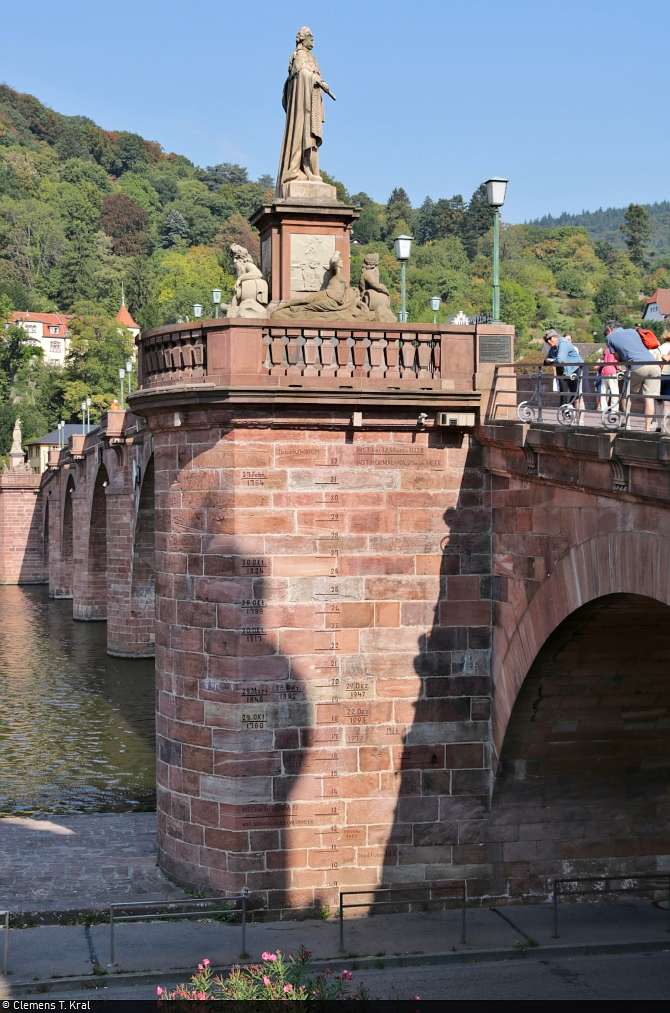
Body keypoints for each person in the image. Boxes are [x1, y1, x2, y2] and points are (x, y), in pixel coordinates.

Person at [604, 319, 661, 431]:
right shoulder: (632, 331)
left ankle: (626, 421)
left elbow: (617, 358)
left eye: (605, 332)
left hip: (638, 366)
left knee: (626, 395)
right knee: (649, 398)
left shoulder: (610, 337)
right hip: (654, 365)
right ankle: (647, 428)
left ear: (609, 329)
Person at [544, 329, 583, 404]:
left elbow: (560, 359)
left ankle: (574, 412)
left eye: (550, 338)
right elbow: (546, 359)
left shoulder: (563, 342)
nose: (548, 341)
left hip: (573, 368)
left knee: (575, 393)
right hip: (562, 370)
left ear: (555, 336)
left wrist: (551, 361)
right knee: (563, 394)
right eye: (546, 340)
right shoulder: (553, 347)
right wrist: (547, 360)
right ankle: (566, 413)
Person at [597, 346, 620, 411]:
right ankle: (614, 408)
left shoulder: (607, 350)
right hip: (611, 371)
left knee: (603, 391)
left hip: (604, 371)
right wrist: (620, 368)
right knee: (614, 391)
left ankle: (603, 407)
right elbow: (616, 362)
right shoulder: (614, 350)